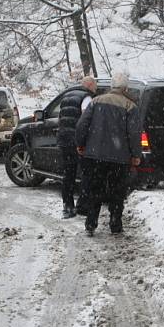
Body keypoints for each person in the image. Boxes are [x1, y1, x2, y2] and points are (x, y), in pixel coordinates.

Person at [75, 73, 141, 236]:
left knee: (95, 189)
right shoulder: (130, 106)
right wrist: (135, 154)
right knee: (117, 192)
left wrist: (81, 144)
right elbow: (134, 133)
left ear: (112, 86)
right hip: (119, 158)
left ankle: (91, 223)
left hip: (95, 155)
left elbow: (82, 124)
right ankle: (115, 223)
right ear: (125, 87)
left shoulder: (96, 101)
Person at [57, 76, 97, 219]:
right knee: (86, 173)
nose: (96, 89)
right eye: (95, 86)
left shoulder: (67, 96)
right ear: (90, 85)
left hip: (64, 140)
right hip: (77, 141)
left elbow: (61, 119)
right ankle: (82, 205)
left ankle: (68, 206)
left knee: (68, 174)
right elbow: (86, 120)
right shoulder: (86, 98)